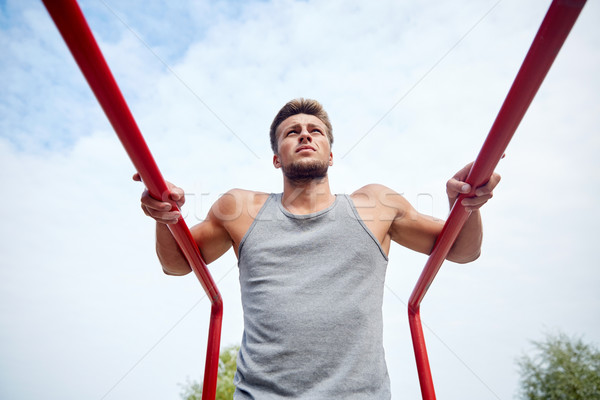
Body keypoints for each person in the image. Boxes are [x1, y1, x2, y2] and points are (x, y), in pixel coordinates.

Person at [135, 98, 500, 399]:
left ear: (330, 155)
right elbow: (178, 264)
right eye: (291, 132)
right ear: (277, 157)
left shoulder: (376, 204)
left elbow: (462, 251)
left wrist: (465, 206)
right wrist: (166, 218)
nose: (304, 135)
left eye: (315, 131)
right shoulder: (241, 208)